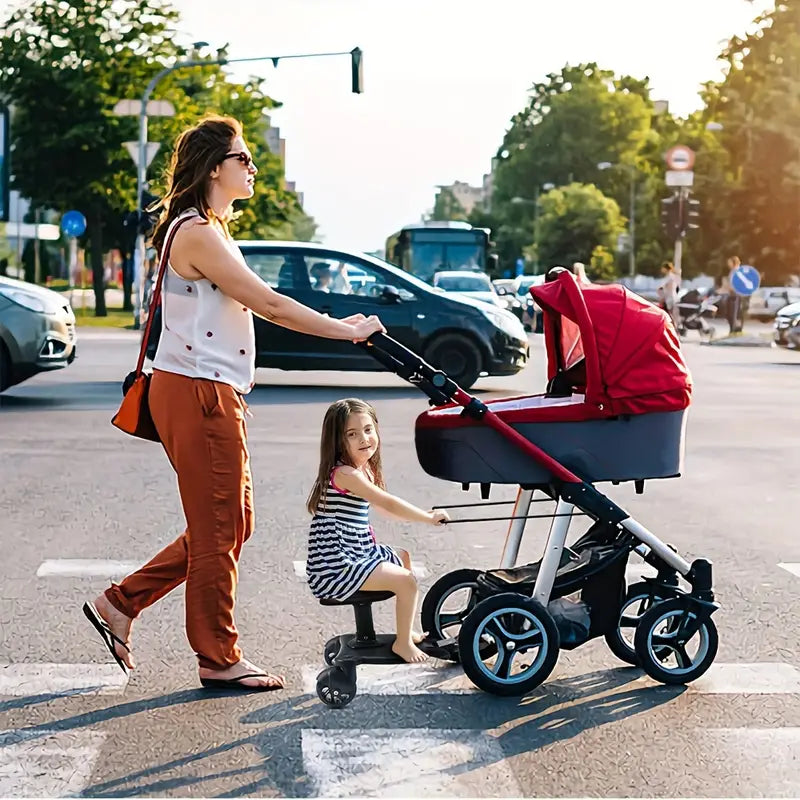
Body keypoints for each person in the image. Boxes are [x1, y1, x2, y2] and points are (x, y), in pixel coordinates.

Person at [82, 115, 385, 692]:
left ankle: (120, 603)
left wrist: (338, 324)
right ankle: (218, 656)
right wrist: (346, 331)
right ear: (213, 168)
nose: (253, 167)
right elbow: (269, 305)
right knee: (221, 527)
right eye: (243, 158)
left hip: (206, 390)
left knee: (230, 523)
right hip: (198, 393)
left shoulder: (209, 229)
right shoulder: (197, 233)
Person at [305, 398, 449, 663]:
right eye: (352, 434)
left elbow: (384, 509)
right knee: (406, 582)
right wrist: (427, 517)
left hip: (356, 551)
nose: (364, 439)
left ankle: (406, 630)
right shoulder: (346, 474)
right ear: (337, 440)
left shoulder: (362, 470)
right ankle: (402, 644)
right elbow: (388, 503)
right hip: (337, 564)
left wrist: (418, 517)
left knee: (402, 556)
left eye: (368, 429)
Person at [657, 261, 681, 331]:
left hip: (669, 299)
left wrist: (662, 297)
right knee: (672, 316)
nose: (662, 269)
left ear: (665, 268)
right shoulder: (672, 277)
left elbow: (662, 288)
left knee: (669, 316)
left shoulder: (669, 277)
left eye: (663, 268)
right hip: (673, 298)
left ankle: (673, 330)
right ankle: (674, 329)